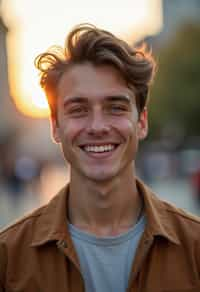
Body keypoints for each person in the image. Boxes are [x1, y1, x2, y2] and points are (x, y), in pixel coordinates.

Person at [0, 23, 200, 292]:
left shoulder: (195, 248)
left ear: (141, 121)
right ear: (55, 126)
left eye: (115, 107)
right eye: (78, 109)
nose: (97, 126)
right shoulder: (8, 258)